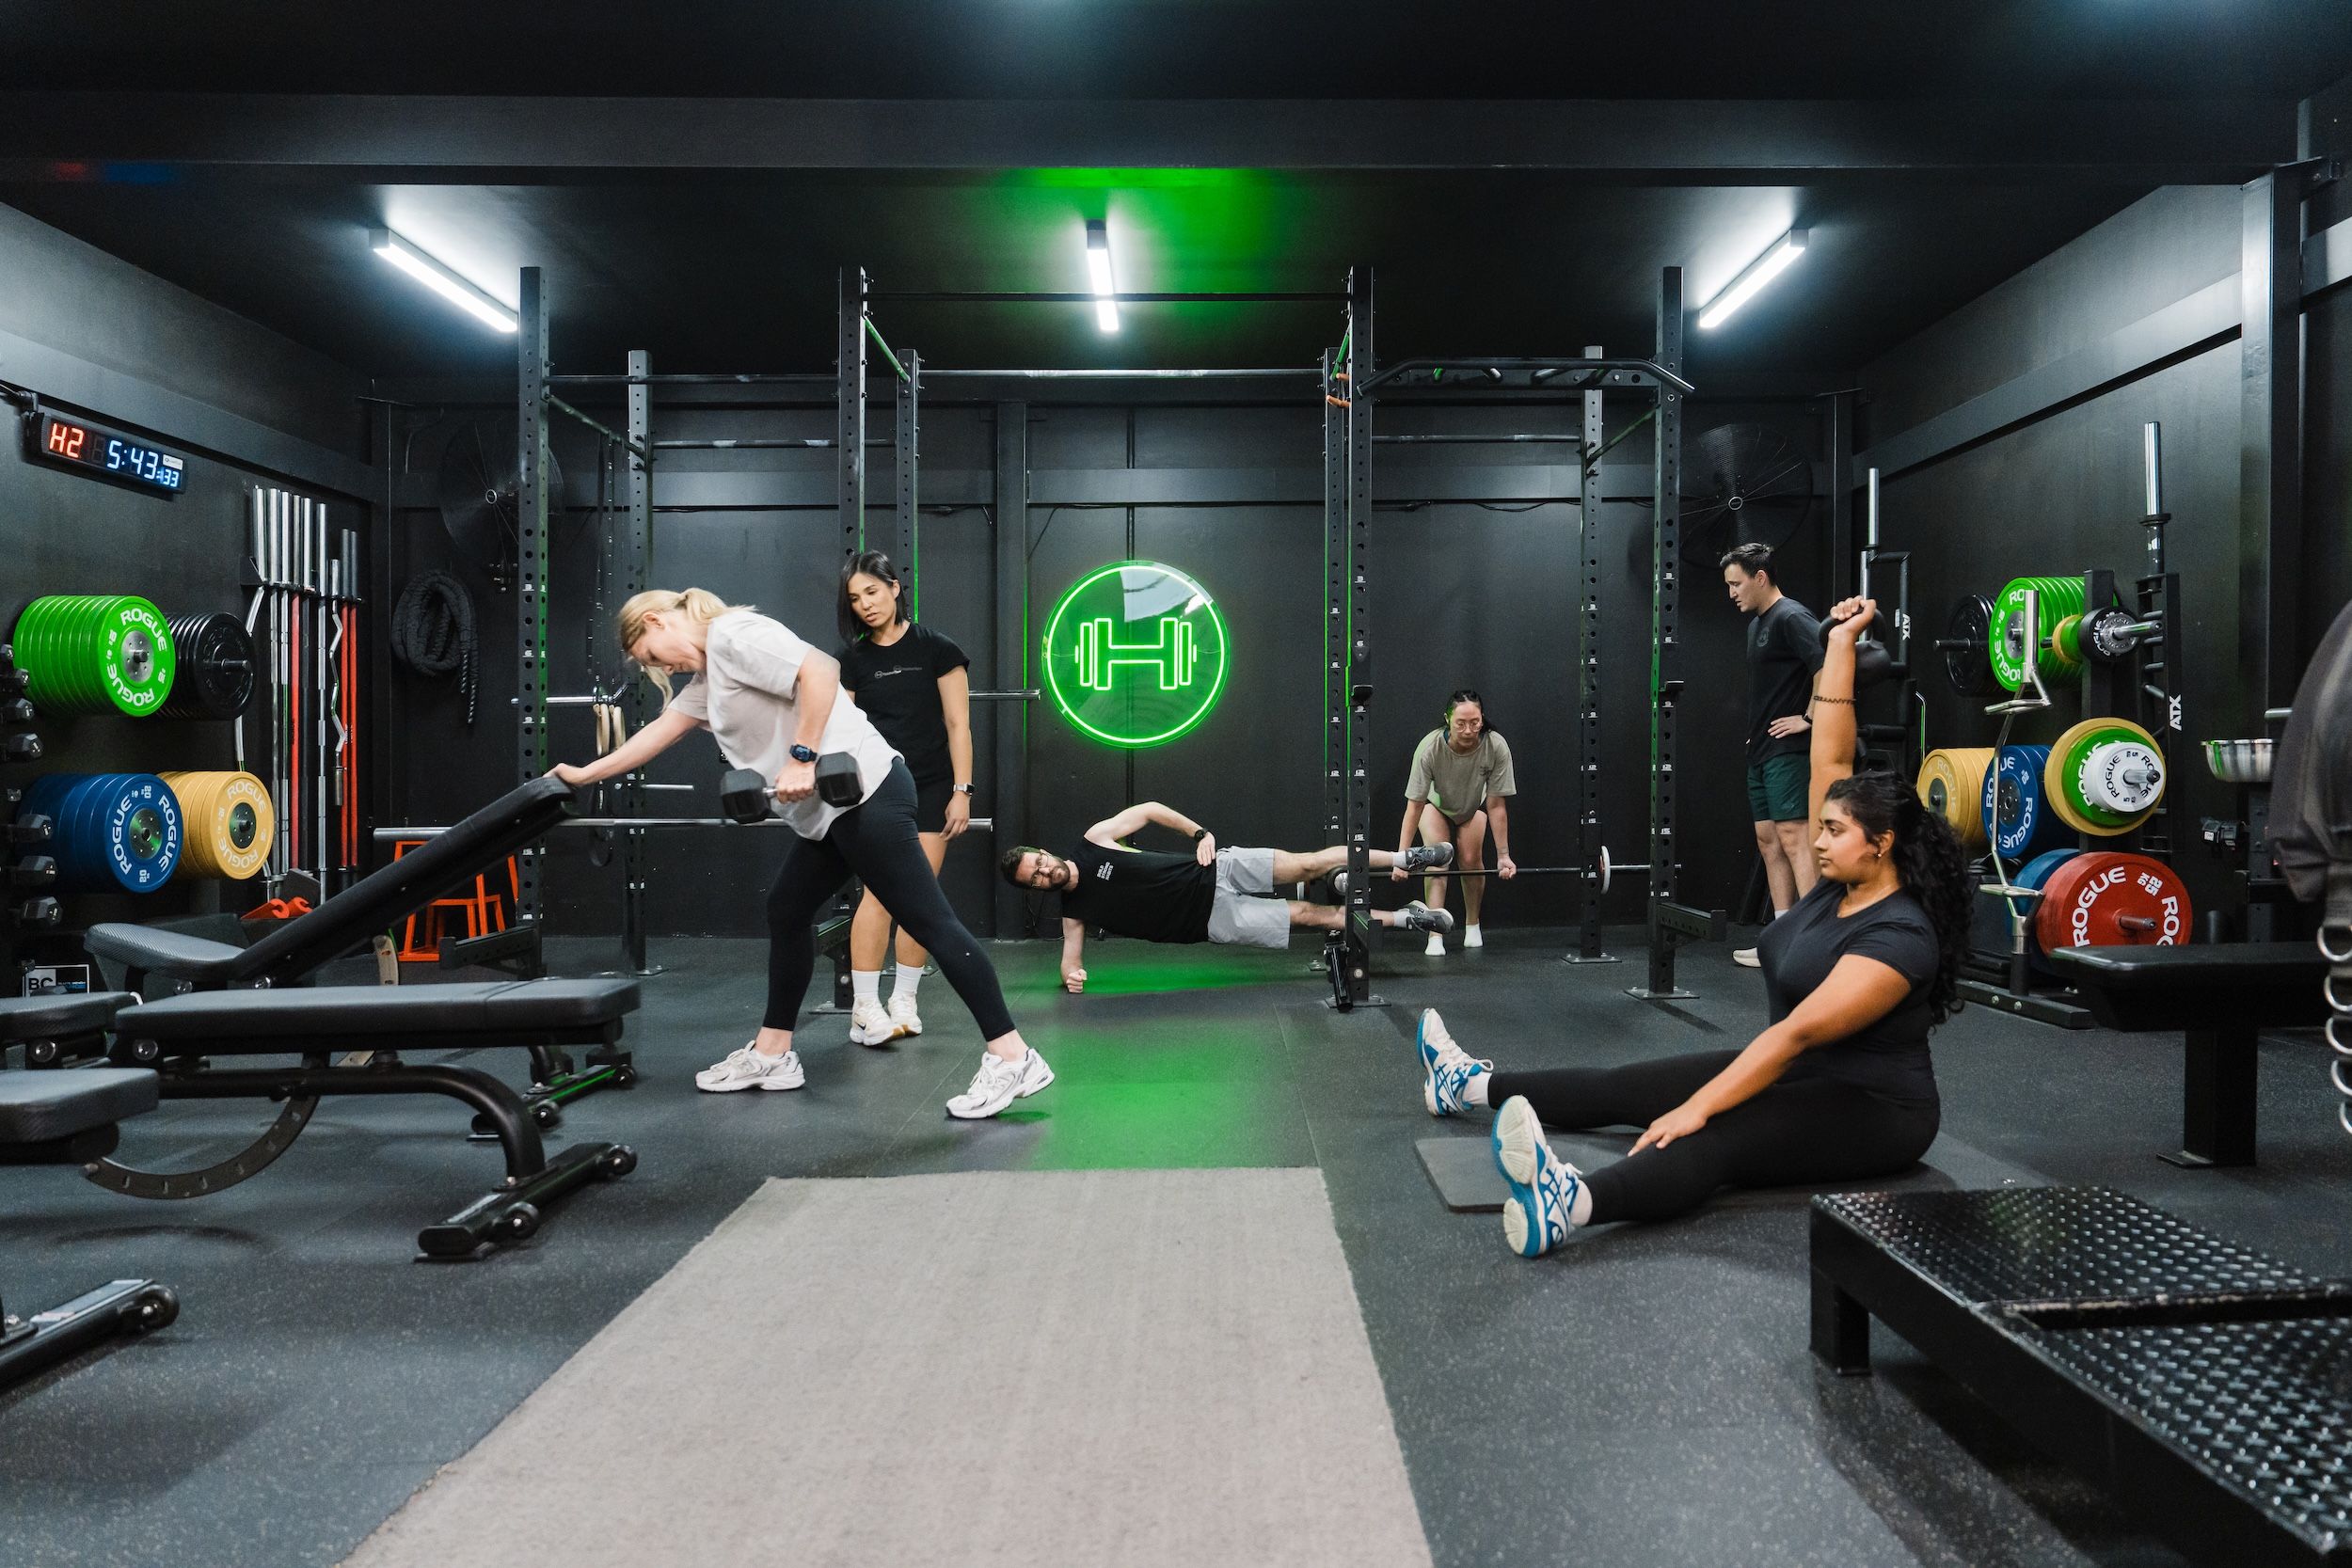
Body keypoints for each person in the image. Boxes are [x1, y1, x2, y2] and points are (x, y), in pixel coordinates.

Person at [1414, 597, 1971, 1257]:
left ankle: (1573, 1203)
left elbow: (1795, 1034)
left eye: (1834, 831)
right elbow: (1830, 750)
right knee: (1628, 1086)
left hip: (1876, 1111)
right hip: (1804, 1074)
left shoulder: (1900, 937)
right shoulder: (1836, 886)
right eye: (1821, 825)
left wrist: (1701, 1104)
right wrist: (1843, 642)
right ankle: (1466, 1085)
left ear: (1881, 844)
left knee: (1707, 1135)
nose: (1817, 840)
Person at [551, 587, 1050, 1120]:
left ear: (655, 621)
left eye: (653, 655)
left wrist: (803, 757)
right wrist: (582, 774)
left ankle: (1012, 1055)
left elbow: (820, 670)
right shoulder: (709, 680)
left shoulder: (733, 635)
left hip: (866, 794)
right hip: (829, 815)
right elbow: (658, 733)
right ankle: (774, 1053)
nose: (663, 668)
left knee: (929, 921)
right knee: (787, 909)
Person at [999, 802, 1458, 992]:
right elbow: (1069, 962)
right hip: (1213, 921)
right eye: (1034, 880)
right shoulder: (1074, 914)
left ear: (1043, 853)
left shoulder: (1094, 840)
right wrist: (1071, 976)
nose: (1044, 873)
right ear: (1034, 889)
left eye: (1038, 864)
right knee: (1309, 915)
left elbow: (1151, 810)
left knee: (1310, 863)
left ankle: (1407, 855)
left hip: (1215, 866)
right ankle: (1408, 919)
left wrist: (1200, 832)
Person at [834, 550, 974, 1048]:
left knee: (919, 895)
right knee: (878, 895)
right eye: (855, 599)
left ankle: (905, 999)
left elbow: (959, 724)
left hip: (934, 785)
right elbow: (843, 732)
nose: (865, 605)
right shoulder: (852, 661)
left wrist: (962, 791)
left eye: (872, 591)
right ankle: (864, 1006)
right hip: (877, 788)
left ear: (894, 588)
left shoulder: (938, 648)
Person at [1722, 543, 1824, 967]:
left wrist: (1808, 718)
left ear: (1760, 577)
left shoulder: (1792, 616)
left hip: (1790, 749)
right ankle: (1781, 939)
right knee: (1767, 840)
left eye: (1736, 583)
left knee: (1794, 838)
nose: (1731, 593)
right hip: (1762, 748)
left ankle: (1816, 941)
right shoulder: (1757, 625)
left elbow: (1827, 665)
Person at [1394, 689, 1517, 958]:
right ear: (1448, 720)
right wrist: (1401, 858)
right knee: (1438, 859)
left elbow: (1496, 805)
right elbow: (1414, 806)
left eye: (1474, 722)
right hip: (1435, 806)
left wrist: (1504, 856)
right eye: (1461, 723)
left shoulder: (1495, 745)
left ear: (1482, 719)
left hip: (1472, 808)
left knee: (1472, 861)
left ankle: (1473, 925)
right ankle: (1434, 934)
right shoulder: (1430, 747)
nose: (1468, 729)